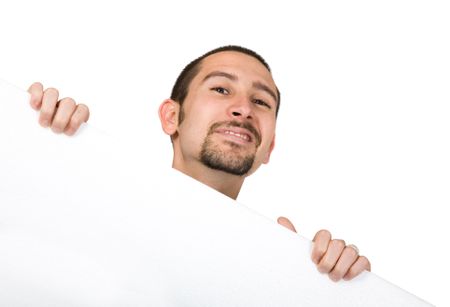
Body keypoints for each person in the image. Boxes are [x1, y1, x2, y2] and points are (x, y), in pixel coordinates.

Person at [27, 45, 371, 282]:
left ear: (269, 147)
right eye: (221, 89)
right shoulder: (82, 202)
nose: (244, 109)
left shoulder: (273, 269)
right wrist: (37, 139)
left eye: (261, 101)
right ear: (171, 116)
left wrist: (334, 290)